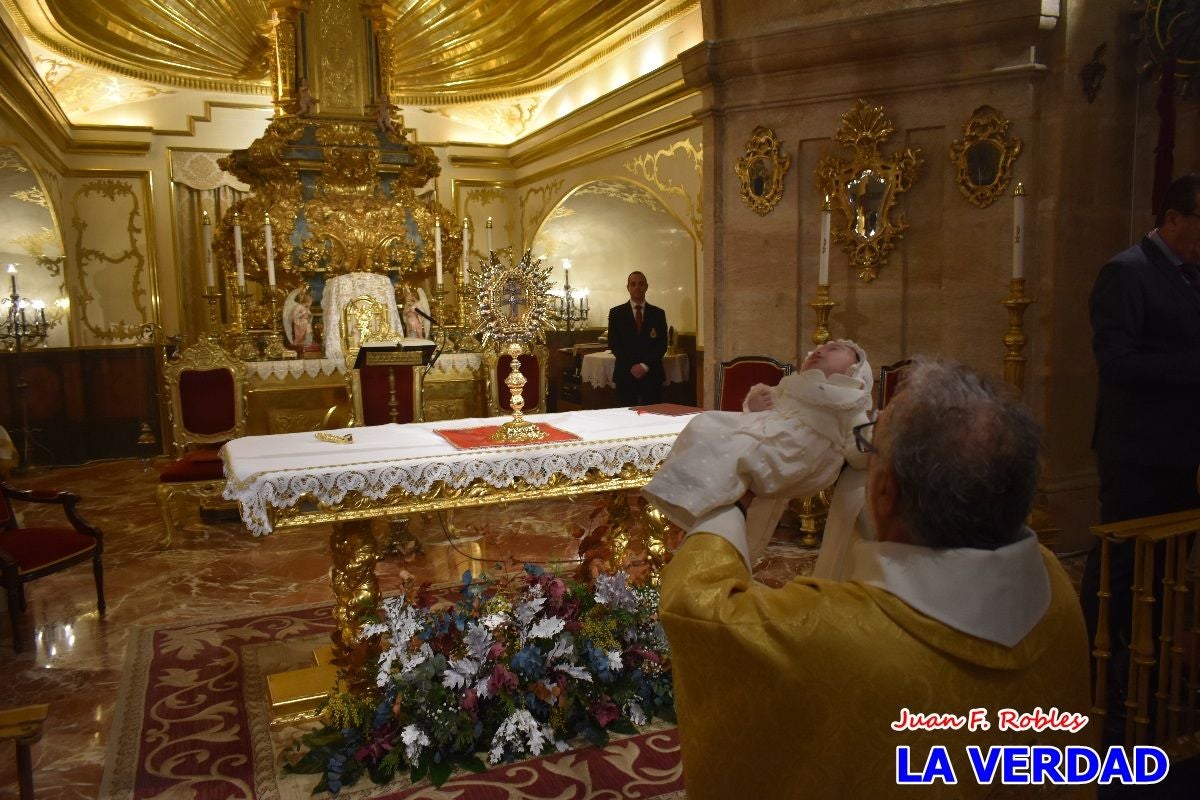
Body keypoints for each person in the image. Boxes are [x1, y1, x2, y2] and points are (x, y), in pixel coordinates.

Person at [659, 359, 1094, 798]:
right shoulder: (1056, 588)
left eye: (873, 446)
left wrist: (727, 500)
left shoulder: (822, 635)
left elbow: (698, 606)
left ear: (885, 493)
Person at [1084, 172, 1200, 738]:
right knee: (1122, 570)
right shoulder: (1125, 272)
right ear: (1172, 218)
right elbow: (1117, 363)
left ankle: (1149, 675)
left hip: (1182, 452)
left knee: (1168, 573)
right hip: (1138, 452)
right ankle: (1100, 677)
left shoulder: (1190, 275)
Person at [643, 340, 871, 564]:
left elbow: (857, 448)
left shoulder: (850, 399)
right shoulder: (794, 384)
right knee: (706, 423)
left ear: (854, 369)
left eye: (833, 349)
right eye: (819, 348)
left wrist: (873, 441)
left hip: (797, 453)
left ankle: (718, 500)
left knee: (742, 453)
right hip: (768, 434)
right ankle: (701, 502)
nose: (820, 351)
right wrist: (753, 404)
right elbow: (767, 403)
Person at [607, 270, 668, 406]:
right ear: (627, 287)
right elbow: (614, 343)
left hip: (652, 374)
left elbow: (662, 344)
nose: (637, 287)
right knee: (626, 418)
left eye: (641, 284)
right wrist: (632, 366)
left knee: (653, 418)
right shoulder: (616, 313)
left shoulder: (658, 314)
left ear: (646, 286)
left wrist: (644, 366)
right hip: (626, 374)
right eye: (633, 284)